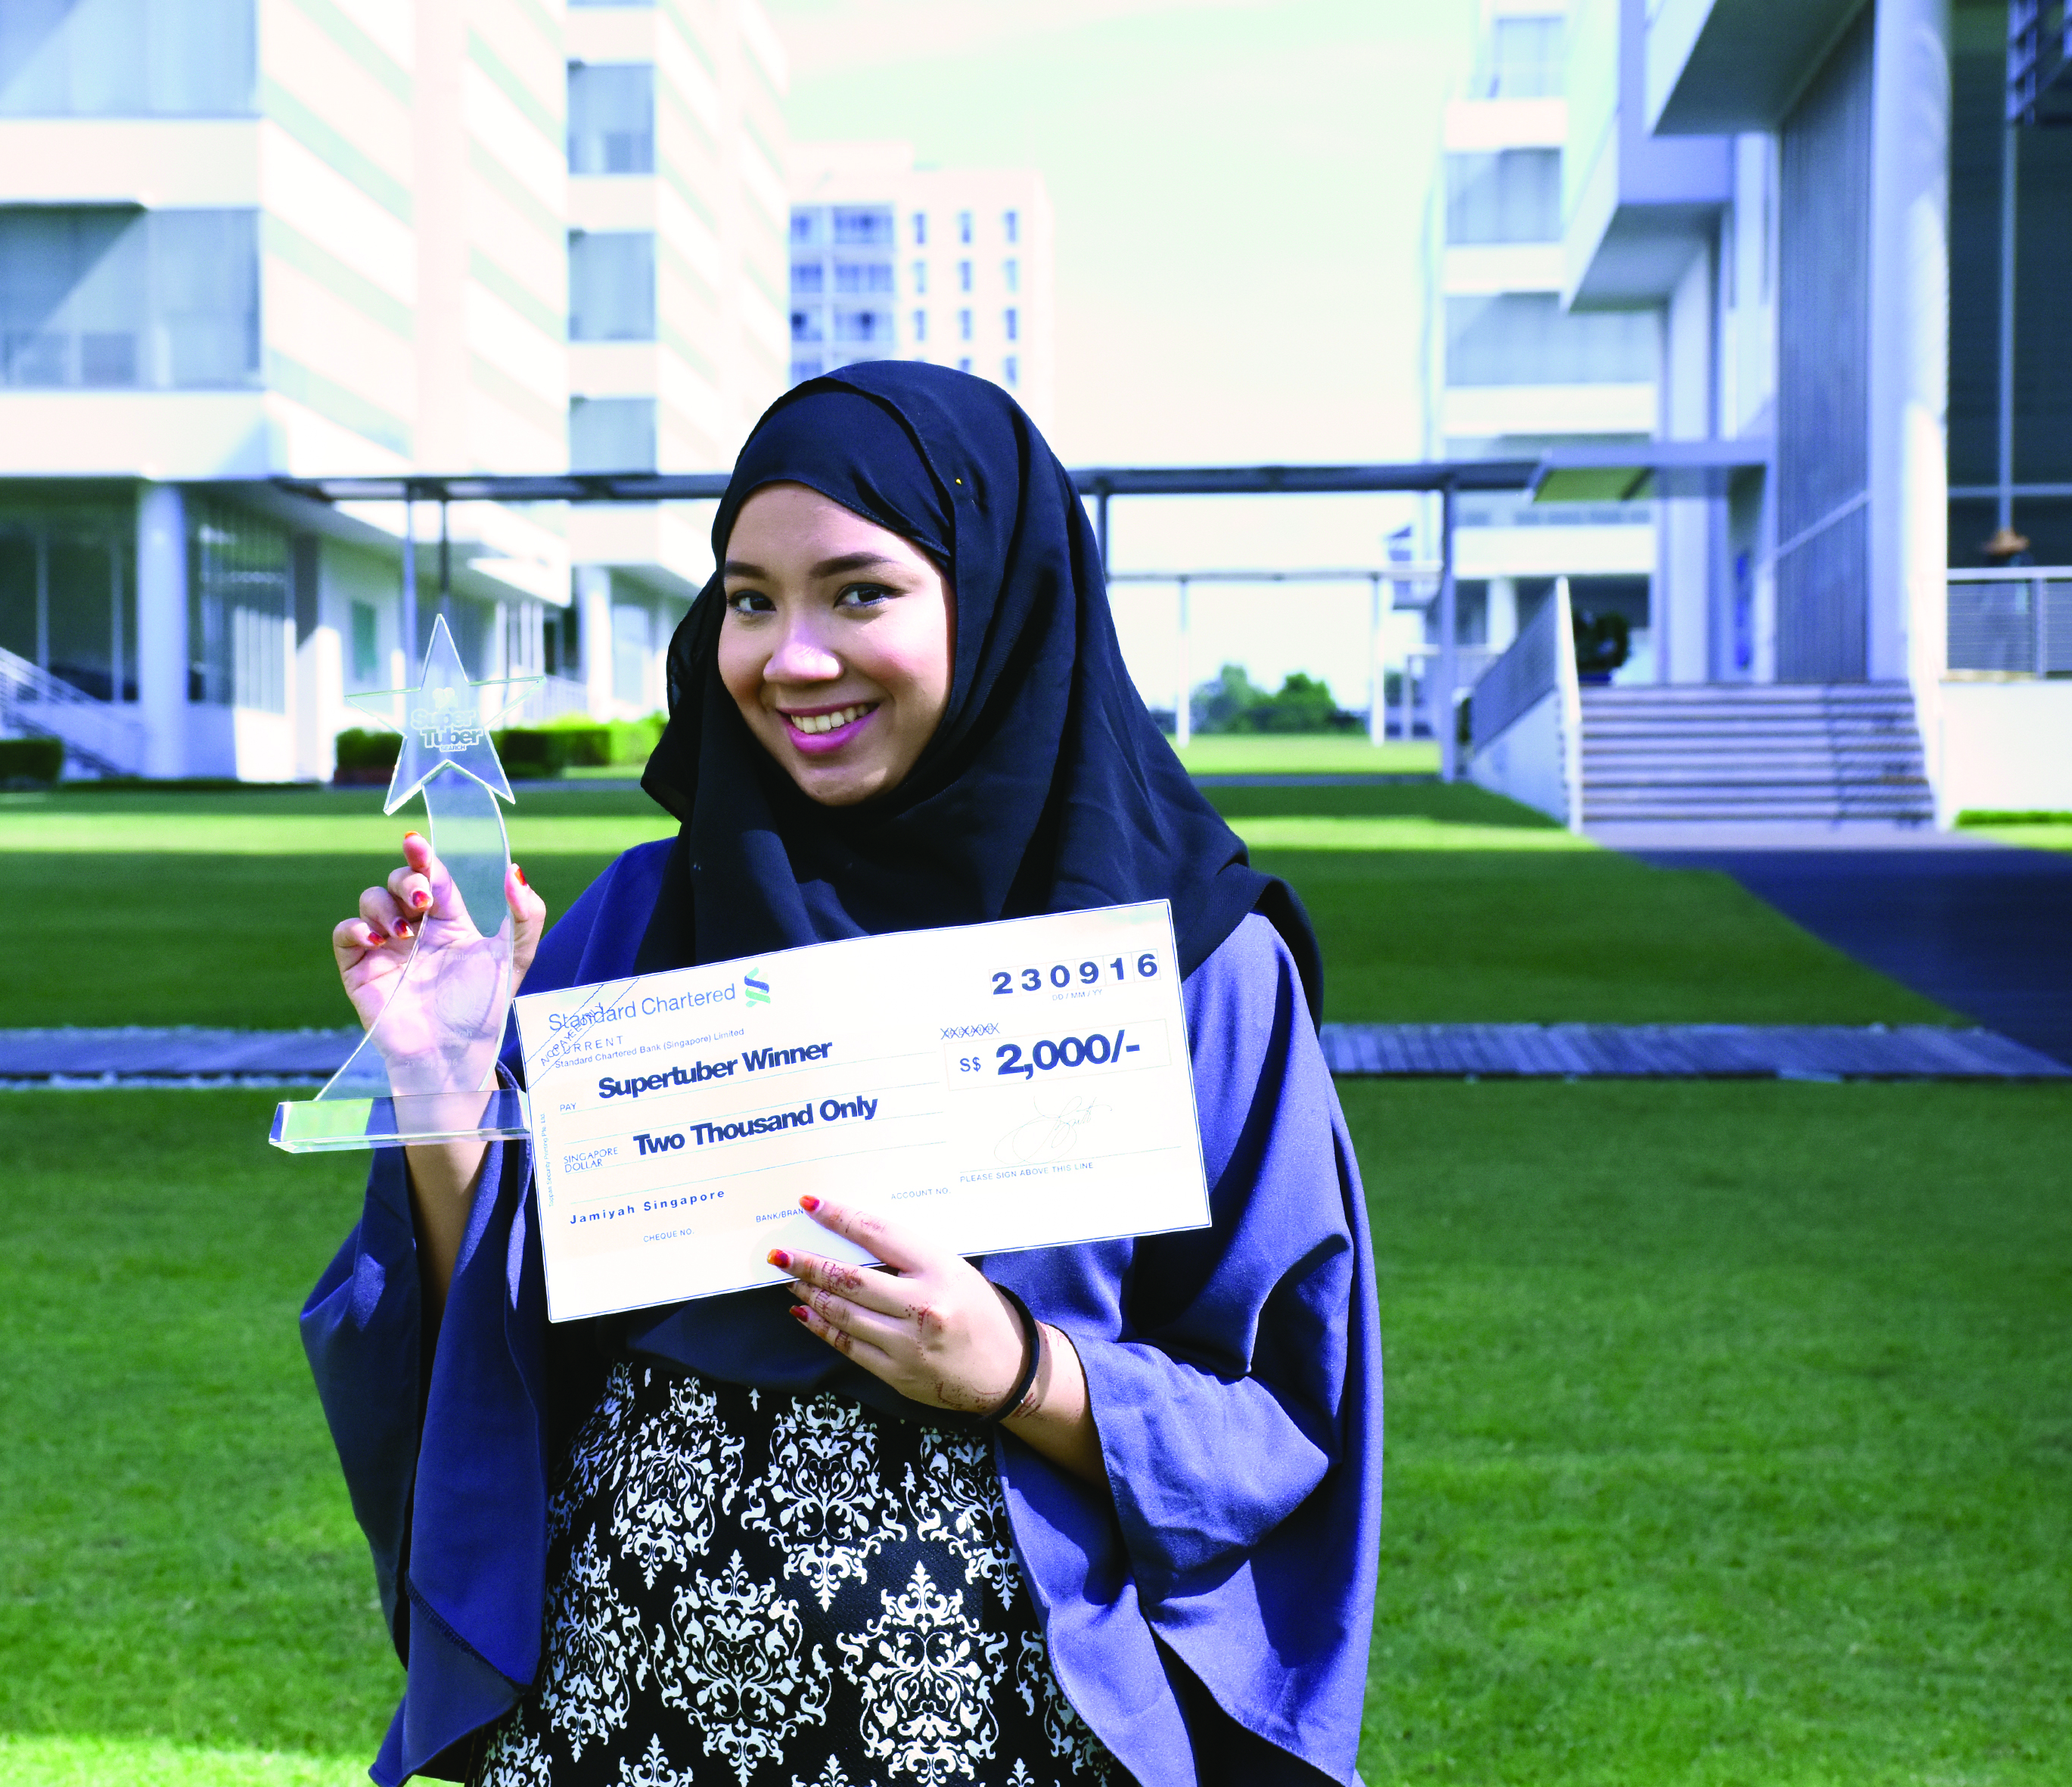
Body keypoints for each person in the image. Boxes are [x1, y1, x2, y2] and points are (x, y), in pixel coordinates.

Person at [302, 362, 1381, 1787]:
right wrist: (446, 1099)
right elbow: (497, 1348)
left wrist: (1017, 1370)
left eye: (857, 592)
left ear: (995, 599)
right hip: (620, 1709)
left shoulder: (1191, 967)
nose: (788, 657)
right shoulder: (639, 922)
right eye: (749, 597)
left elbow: (1284, 1407)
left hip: (1008, 1727)